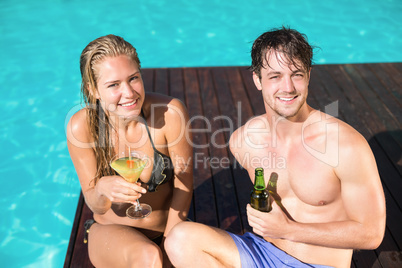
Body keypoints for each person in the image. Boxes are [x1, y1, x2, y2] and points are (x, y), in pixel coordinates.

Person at [164, 27, 386, 268]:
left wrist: (289, 230)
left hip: (319, 264)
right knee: (180, 239)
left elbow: (371, 233)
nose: (288, 87)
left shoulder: (344, 145)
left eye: (297, 74)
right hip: (262, 254)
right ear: (258, 80)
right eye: (275, 76)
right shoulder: (244, 141)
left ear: (309, 75)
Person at [66, 34, 193, 268]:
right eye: (113, 84)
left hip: (167, 230)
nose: (129, 93)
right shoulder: (81, 127)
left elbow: (184, 187)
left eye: (133, 78)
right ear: (93, 89)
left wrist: (171, 243)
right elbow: (95, 204)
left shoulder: (170, 114)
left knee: (156, 256)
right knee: (148, 257)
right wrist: (102, 189)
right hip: (110, 232)